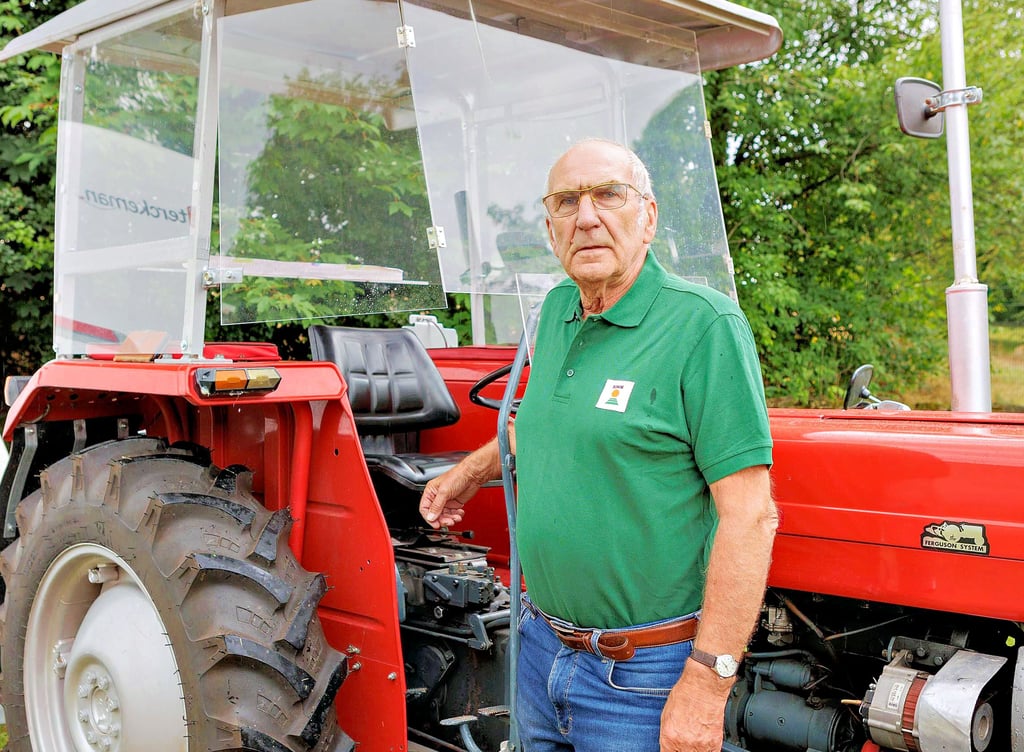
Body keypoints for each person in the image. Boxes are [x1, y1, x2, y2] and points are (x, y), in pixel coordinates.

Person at [420, 138, 777, 752]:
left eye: (608, 195)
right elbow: (545, 424)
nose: (586, 216)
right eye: (566, 201)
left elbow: (750, 516)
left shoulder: (704, 326)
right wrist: (471, 471)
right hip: (538, 651)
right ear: (551, 223)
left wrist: (709, 681)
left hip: (643, 675)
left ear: (648, 216)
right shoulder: (557, 310)